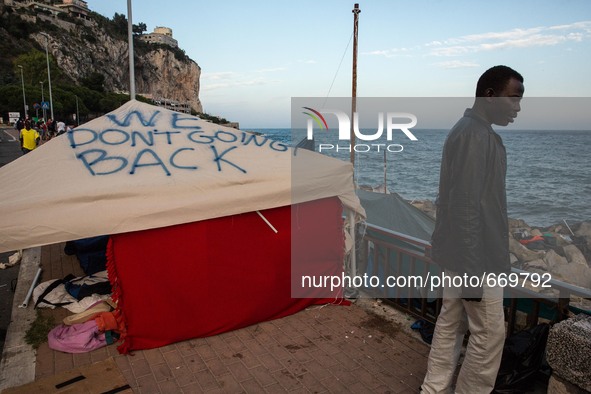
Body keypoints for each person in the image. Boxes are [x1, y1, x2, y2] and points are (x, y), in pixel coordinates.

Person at [420, 65, 524, 394]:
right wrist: (472, 269)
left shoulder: (463, 130)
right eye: (514, 98)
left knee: (450, 324)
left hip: (459, 254)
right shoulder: (477, 136)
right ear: (489, 95)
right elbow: (467, 207)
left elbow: (448, 199)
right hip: (475, 257)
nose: (518, 108)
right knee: (489, 334)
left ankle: (433, 390)